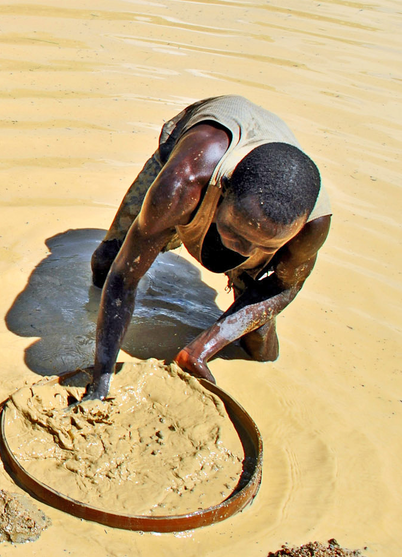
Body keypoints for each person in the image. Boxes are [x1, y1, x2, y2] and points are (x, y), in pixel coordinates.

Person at [83, 95, 331, 400]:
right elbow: (124, 278)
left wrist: (200, 350)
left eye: (263, 247)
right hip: (200, 144)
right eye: (235, 234)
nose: (244, 254)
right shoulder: (182, 182)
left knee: (259, 347)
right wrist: (101, 380)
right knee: (108, 262)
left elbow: (283, 287)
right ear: (222, 191)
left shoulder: (313, 225)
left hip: (268, 188)